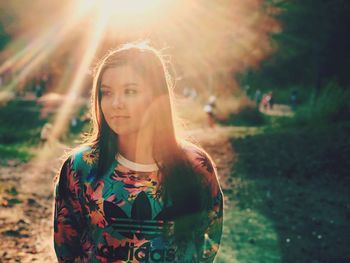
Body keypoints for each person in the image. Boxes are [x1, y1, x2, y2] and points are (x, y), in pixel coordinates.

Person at [53, 43, 224, 262]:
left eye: (130, 91)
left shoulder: (196, 166)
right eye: (106, 93)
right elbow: (66, 249)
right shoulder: (80, 167)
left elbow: (207, 245)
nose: (116, 104)